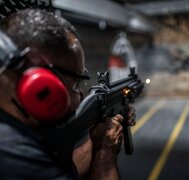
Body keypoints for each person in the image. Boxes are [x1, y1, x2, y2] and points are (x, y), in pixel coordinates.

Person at [0, 9, 136, 179]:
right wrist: (105, 152)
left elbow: (64, 173)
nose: (79, 95)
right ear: (40, 84)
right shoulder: (14, 155)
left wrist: (99, 139)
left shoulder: (16, 133)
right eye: (75, 83)